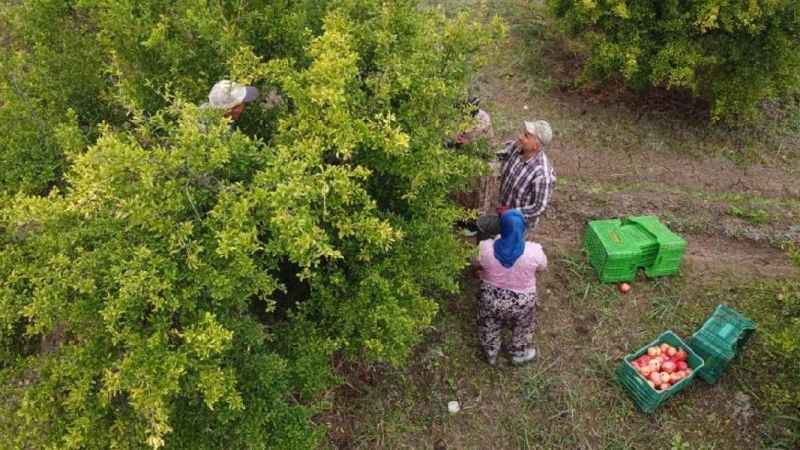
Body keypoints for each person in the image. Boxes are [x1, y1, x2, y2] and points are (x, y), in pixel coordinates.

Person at [473, 210, 547, 366]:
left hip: (490, 298)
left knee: (489, 323)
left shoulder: (485, 248)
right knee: (524, 325)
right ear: (523, 230)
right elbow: (542, 267)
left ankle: (491, 353)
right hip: (522, 301)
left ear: (501, 228)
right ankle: (518, 353)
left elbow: (475, 263)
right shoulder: (534, 251)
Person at [475, 119, 555, 240]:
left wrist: (511, 213)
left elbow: (539, 207)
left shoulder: (542, 174)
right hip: (503, 208)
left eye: (526, 136)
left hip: (518, 221)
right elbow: (499, 155)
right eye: (523, 133)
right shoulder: (516, 148)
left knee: (509, 250)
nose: (520, 137)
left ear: (536, 146)